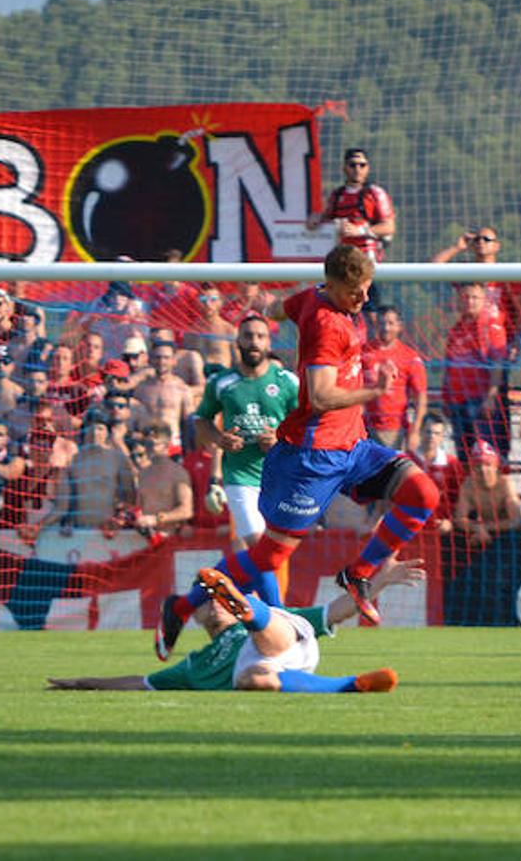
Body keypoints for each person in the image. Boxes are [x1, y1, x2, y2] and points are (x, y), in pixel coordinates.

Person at [156, 247, 440, 656]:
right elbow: (321, 397)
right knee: (269, 557)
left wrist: (264, 307)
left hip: (354, 445)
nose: (363, 300)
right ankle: (181, 607)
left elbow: (278, 308)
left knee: (423, 494)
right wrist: (375, 391)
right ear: (334, 284)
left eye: (366, 290)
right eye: (355, 292)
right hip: (315, 455)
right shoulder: (327, 324)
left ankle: (358, 574)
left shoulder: (312, 298)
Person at [48, 558, 422, 693]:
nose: (211, 607)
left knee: (268, 626)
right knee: (251, 679)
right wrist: (82, 683)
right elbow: (140, 682)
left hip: (286, 638)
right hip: (273, 669)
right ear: (196, 617)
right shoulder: (195, 666)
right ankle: (351, 686)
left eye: (216, 600)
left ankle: (251, 609)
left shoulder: (256, 623)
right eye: (207, 602)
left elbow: (337, 611)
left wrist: (381, 582)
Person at [193, 314, 299, 555]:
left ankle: (225, 587)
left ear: (269, 343)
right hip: (240, 477)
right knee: (259, 546)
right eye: (248, 336)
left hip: (281, 478)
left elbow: (307, 424)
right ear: (237, 341)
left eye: (260, 336)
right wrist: (220, 439)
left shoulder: (288, 382)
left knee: (270, 554)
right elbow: (201, 420)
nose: (254, 342)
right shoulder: (222, 382)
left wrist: (281, 439)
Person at [429, 226, 521, 353]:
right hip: (469, 337)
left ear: (497, 246)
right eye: (477, 239)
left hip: (499, 340)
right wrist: (457, 247)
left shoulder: (508, 275)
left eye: (486, 239)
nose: (481, 242)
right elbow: (433, 267)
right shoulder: (465, 271)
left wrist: (516, 343)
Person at [442, 281, 510, 458]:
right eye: (465, 297)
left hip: (479, 402)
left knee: (483, 455)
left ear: (484, 300)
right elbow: (449, 366)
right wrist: (446, 397)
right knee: (463, 455)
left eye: (474, 297)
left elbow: (497, 364)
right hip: (457, 402)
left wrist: (491, 397)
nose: (469, 301)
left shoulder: (490, 327)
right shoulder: (455, 330)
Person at [308, 147, 396, 263]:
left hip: (367, 256)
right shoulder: (337, 195)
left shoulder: (375, 193)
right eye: (352, 165)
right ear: (344, 168)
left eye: (362, 165)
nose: (357, 169)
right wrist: (316, 219)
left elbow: (389, 227)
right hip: (341, 255)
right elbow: (328, 218)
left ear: (368, 168)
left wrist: (360, 230)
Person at [360, 305, 429, 451]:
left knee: (391, 471)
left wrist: (415, 431)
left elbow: (421, 398)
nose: (386, 328)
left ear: (399, 326)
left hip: (394, 430)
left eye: (390, 323)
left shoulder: (410, 357)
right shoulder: (363, 353)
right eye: (381, 323)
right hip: (364, 427)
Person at [61, 412, 137, 533]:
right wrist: (66, 522)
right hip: (78, 533)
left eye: (100, 429)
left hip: (109, 534)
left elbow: (131, 498)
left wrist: (117, 521)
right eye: (90, 429)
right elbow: (66, 501)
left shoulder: (119, 460)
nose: (95, 433)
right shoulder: (74, 460)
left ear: (107, 432)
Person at [453, 439, 521, 543]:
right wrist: (478, 528)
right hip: (486, 531)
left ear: (496, 467)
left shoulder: (505, 483)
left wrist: (485, 527)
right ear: (472, 469)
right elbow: (459, 519)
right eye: (478, 466)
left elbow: (516, 521)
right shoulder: (468, 485)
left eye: (487, 465)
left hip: (511, 534)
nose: (483, 470)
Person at [132, 420, 194, 540]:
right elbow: (139, 507)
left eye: (153, 444)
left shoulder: (178, 473)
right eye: (146, 444)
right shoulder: (143, 474)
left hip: (169, 539)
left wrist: (156, 519)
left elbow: (187, 510)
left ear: (166, 445)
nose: (148, 448)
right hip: (145, 540)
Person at [133, 340, 196, 457]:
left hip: (172, 445)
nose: (162, 362)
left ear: (174, 361)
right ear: (151, 360)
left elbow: (189, 424)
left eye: (166, 358)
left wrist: (189, 452)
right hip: (147, 444)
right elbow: (135, 419)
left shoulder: (182, 389)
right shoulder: (142, 388)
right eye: (158, 357)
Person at [407, 414, 465, 534]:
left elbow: (461, 497)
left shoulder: (451, 463)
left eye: (437, 433)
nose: (431, 437)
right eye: (428, 432)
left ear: (443, 436)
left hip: (441, 528)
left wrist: (451, 521)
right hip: (409, 527)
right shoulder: (406, 461)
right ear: (421, 432)